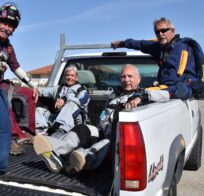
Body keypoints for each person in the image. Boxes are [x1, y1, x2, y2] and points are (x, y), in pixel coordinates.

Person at [33, 64, 169, 173]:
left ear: (138, 79)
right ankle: (53, 149)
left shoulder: (144, 95)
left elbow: (167, 95)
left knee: (105, 143)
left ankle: (81, 158)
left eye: (130, 76)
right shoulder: (114, 94)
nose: (126, 79)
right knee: (82, 129)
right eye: (123, 76)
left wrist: (143, 97)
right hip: (100, 130)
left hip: (116, 136)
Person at [111, 17, 200, 100]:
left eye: (164, 30)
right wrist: (121, 43)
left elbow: (171, 79)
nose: (160, 34)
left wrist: (145, 95)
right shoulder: (161, 47)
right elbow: (141, 44)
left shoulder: (180, 48)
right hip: (168, 88)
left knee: (142, 97)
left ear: (173, 31)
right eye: (157, 32)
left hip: (180, 91)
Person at [35, 65, 90, 135]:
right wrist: (35, 89)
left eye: (72, 75)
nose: (70, 77)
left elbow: (82, 100)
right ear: (64, 77)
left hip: (73, 122)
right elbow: (42, 91)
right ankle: (41, 132)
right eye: (67, 75)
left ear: (76, 78)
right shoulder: (57, 89)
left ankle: (60, 132)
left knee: (71, 104)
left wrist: (65, 99)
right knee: (39, 110)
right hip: (56, 119)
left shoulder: (82, 90)